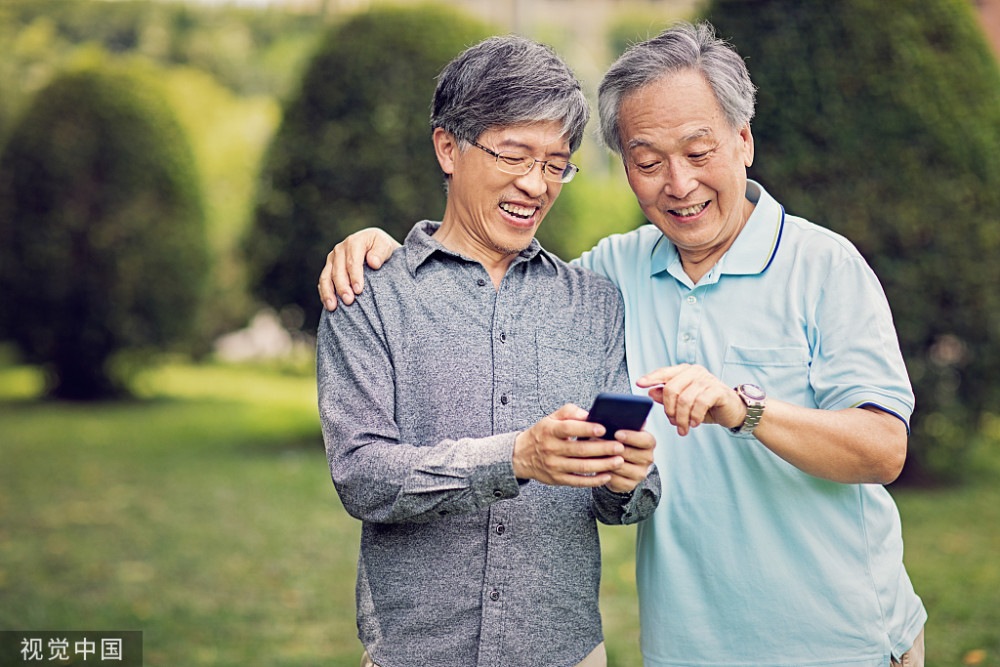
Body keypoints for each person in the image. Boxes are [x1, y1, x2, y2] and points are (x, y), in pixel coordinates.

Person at [318, 21, 927, 667]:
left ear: (743, 140)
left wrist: (742, 408)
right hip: (687, 646)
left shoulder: (822, 264)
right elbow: (488, 270)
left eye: (699, 151)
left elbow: (884, 449)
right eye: (647, 161)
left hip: (844, 640)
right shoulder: (611, 275)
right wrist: (383, 251)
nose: (679, 183)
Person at [316, 35, 660, 667]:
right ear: (449, 147)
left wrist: (629, 475)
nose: (537, 184)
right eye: (514, 155)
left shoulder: (594, 304)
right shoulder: (370, 294)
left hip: (567, 653)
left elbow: (625, 501)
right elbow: (362, 477)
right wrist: (514, 457)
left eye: (557, 163)